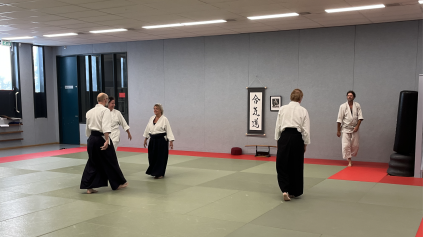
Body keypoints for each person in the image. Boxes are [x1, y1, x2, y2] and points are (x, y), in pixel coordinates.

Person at [80, 93, 128, 194]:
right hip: (101, 138)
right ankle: (118, 183)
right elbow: (106, 126)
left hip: (92, 139)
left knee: (92, 162)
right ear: (105, 100)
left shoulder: (89, 112)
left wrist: (89, 139)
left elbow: (87, 128)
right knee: (111, 160)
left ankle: (89, 187)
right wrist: (107, 140)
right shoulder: (105, 111)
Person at [274, 89, 310, 201]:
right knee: (296, 165)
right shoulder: (303, 110)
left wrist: (277, 140)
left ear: (290, 97)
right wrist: (305, 143)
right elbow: (306, 129)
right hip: (297, 137)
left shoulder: (282, 109)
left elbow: (278, 126)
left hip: (284, 137)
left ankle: (285, 190)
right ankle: (294, 192)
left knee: (282, 163)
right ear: (301, 99)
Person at [143, 104, 175, 179]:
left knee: (160, 157)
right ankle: (154, 171)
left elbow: (168, 130)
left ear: (160, 110)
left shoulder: (164, 119)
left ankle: (160, 173)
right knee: (152, 156)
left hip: (161, 140)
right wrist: (145, 138)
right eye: (154, 108)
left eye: (157, 108)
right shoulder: (151, 118)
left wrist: (171, 141)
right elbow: (148, 128)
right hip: (152, 139)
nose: (155, 110)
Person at [337, 90, 363, 167]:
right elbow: (339, 119)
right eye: (348, 95)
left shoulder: (357, 105)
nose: (349, 96)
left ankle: (351, 156)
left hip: (354, 128)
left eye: (351, 95)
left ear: (354, 97)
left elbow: (360, 117)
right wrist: (338, 130)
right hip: (345, 128)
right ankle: (349, 160)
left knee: (355, 145)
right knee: (345, 145)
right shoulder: (342, 106)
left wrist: (357, 126)